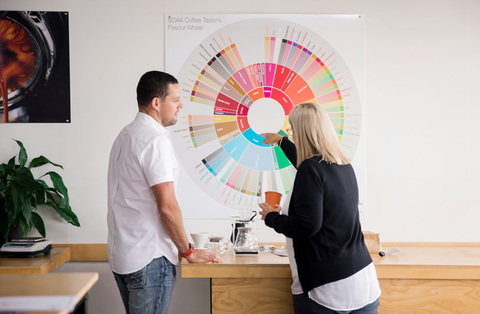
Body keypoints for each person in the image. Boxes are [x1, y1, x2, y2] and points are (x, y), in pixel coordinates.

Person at [107, 71, 222, 314]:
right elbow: (167, 207)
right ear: (156, 103)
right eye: (176, 99)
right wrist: (189, 251)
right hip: (150, 258)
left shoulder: (124, 136)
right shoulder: (154, 140)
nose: (180, 105)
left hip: (125, 256)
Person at [259, 102, 380, 314]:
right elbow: (308, 167)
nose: (292, 134)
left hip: (328, 289)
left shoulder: (310, 169)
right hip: (363, 280)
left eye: (292, 130)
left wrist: (272, 218)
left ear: (302, 133)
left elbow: (307, 226)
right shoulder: (343, 165)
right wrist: (281, 141)